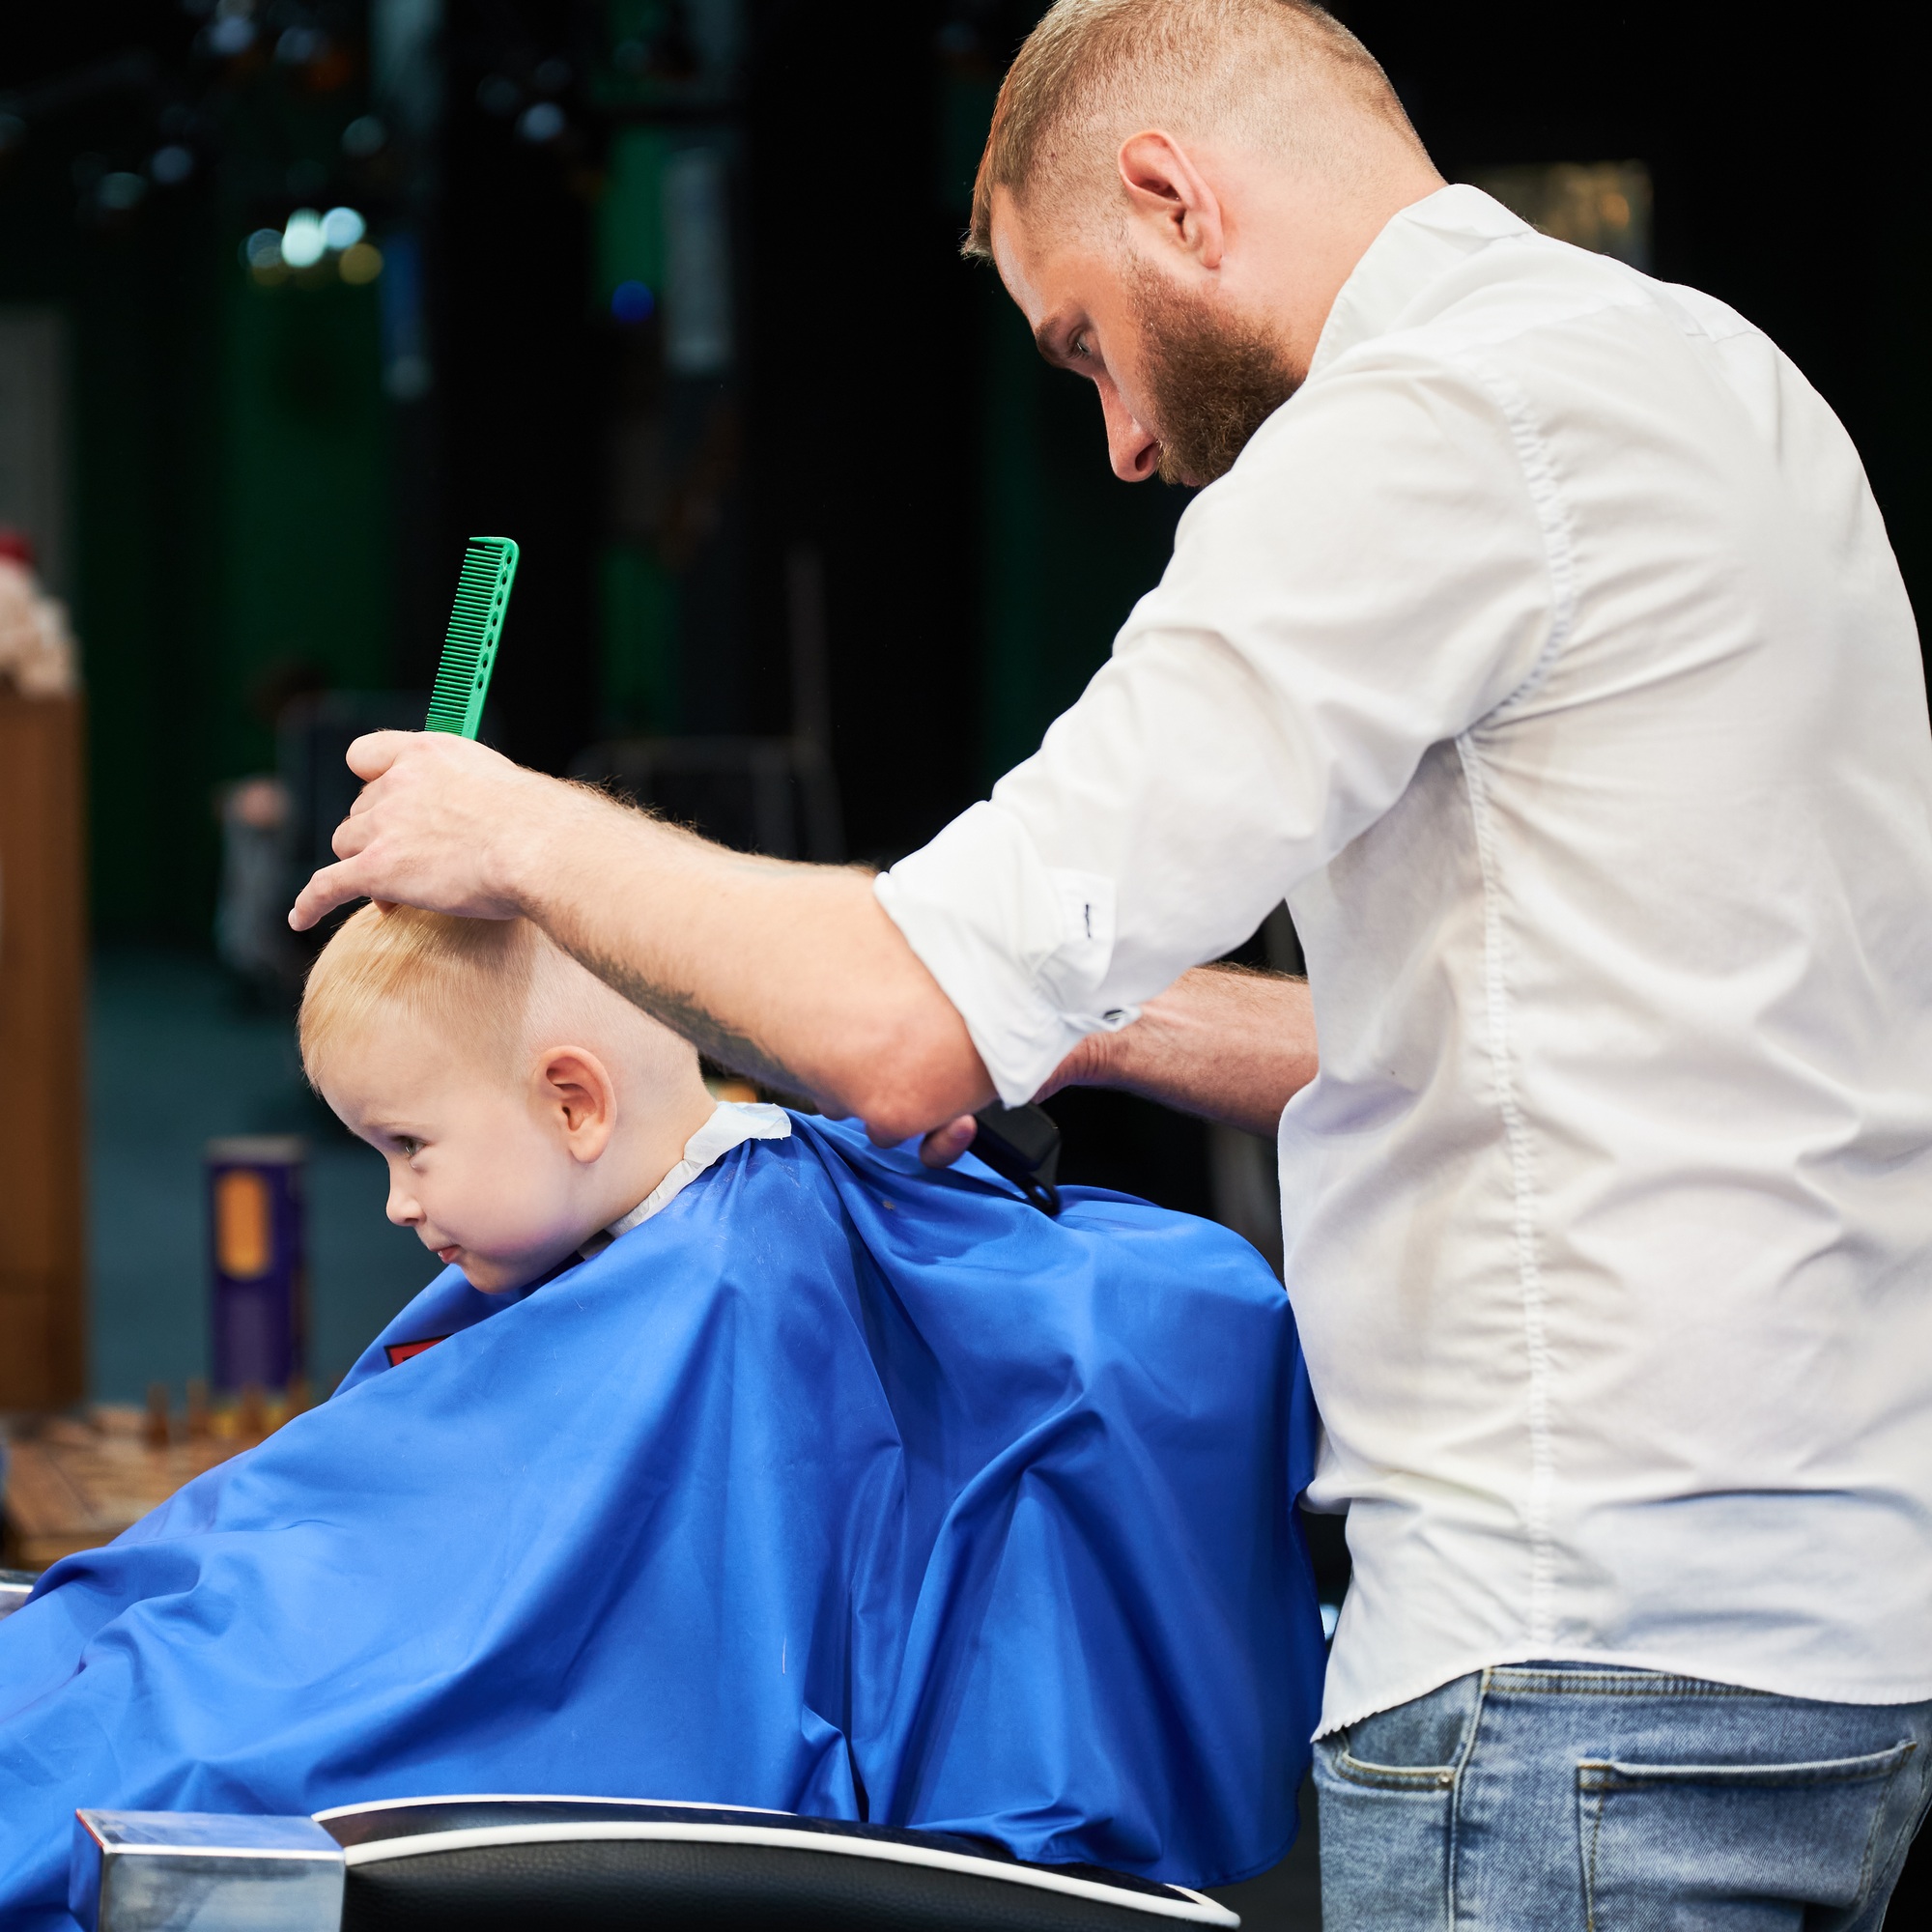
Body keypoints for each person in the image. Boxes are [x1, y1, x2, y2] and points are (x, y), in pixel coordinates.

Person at [290, 1, 1932, 1921]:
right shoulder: (1711, 379)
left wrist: (520, 830)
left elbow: (898, 1030)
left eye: (1088, 343)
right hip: (1828, 1652)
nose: (1129, 439)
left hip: (1569, 1655)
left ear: (1170, 197)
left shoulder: (1417, 428)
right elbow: (1565, 1035)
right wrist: (1088, 1021)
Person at [0, 903, 1324, 1925]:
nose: (398, 1204)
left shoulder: (739, 1273)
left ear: (574, 1103)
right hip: (321, 1609)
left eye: (410, 1147)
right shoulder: (636, 1249)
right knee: (144, 1622)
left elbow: (491, 1633)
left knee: (149, 1732)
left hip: (368, 1684)